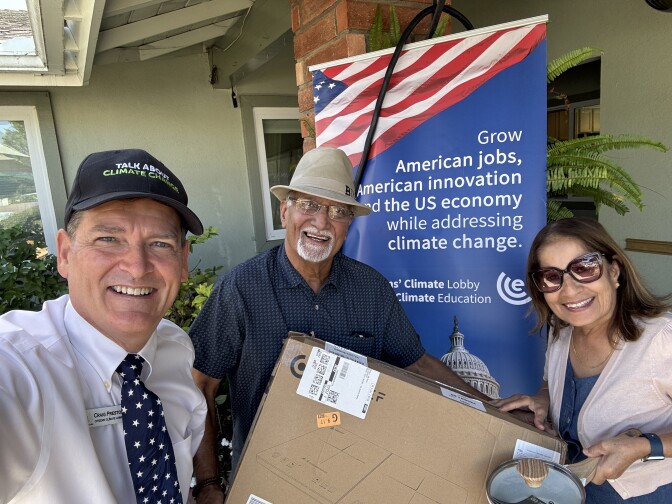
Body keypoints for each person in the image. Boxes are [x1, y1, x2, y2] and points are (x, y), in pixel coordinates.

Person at [188, 146, 488, 502]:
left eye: (338, 211)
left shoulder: (371, 289)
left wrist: (490, 407)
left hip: (355, 478)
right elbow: (199, 386)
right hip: (265, 480)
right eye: (309, 205)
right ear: (285, 212)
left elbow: (418, 363)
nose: (321, 222)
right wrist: (208, 484)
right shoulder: (240, 289)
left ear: (349, 224)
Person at [0, 149, 207, 503]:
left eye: (160, 243)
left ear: (183, 261)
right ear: (65, 253)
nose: (138, 267)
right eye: (108, 239)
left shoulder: (174, 347)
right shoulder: (19, 368)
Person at [494, 218, 672, 502]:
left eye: (584, 268)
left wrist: (643, 446)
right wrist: (544, 398)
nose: (569, 289)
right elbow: (554, 383)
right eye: (552, 277)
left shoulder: (661, 339)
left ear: (614, 270)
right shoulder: (561, 332)